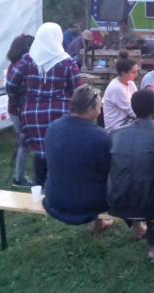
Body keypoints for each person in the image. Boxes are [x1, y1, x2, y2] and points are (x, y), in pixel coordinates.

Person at [107, 89, 154, 264]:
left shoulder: (116, 134)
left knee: (148, 182)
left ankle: (151, 241)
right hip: (150, 202)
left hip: (118, 200)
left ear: (133, 109)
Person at [7, 22, 82, 186]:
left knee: (40, 151)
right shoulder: (67, 62)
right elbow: (78, 90)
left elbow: (11, 85)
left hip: (32, 114)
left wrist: (22, 102)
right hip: (60, 113)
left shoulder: (27, 60)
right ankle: (59, 185)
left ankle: (40, 187)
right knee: (58, 150)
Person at [42, 85, 113, 235]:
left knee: (81, 173)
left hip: (54, 198)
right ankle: (139, 227)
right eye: (99, 106)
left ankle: (98, 224)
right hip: (88, 204)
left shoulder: (53, 127)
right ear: (89, 110)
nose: (101, 110)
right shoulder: (100, 137)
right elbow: (110, 171)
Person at [5, 33, 36, 188]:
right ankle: (19, 178)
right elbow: (13, 90)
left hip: (17, 109)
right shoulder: (19, 66)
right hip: (18, 110)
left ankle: (19, 176)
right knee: (25, 143)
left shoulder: (15, 64)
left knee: (24, 143)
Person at [102, 51, 139, 132]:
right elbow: (132, 111)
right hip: (117, 127)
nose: (136, 74)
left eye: (136, 71)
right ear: (123, 73)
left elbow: (138, 102)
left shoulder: (131, 83)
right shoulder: (116, 88)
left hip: (128, 121)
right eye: (133, 72)